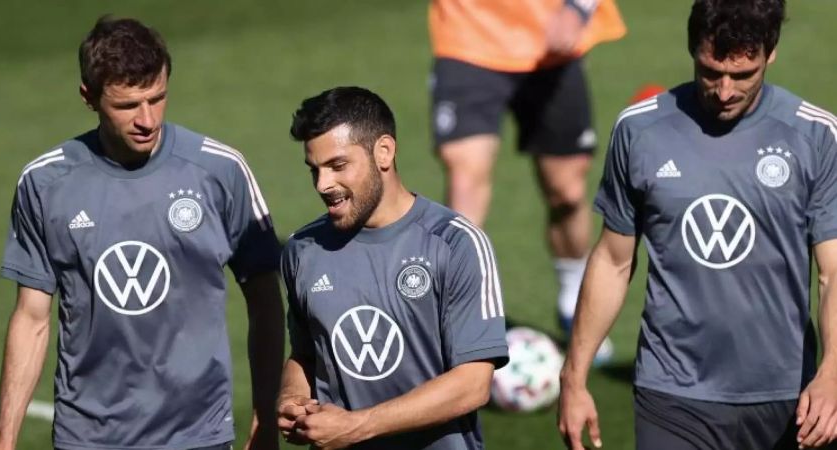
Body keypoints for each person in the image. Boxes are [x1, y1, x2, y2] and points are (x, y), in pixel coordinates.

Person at [0, 16, 284, 450]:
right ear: (89, 97)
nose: (147, 119)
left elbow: (264, 301)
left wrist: (265, 419)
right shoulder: (46, 183)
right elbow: (32, 319)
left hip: (196, 434)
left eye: (157, 98)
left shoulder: (219, 171)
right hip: (87, 436)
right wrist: (4, 440)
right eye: (127, 106)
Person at [557, 1, 837, 449]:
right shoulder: (640, 130)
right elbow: (612, 260)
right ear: (692, 50)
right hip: (672, 393)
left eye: (743, 75)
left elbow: (832, 273)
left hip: (785, 394)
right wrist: (573, 378)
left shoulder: (815, 136)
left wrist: (832, 374)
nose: (724, 91)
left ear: (771, 53)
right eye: (710, 72)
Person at [277, 86, 508, 449]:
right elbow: (306, 354)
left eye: (338, 166)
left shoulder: (455, 243)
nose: (323, 185)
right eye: (315, 170)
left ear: (383, 151)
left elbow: (472, 384)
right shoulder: (303, 250)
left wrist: (357, 426)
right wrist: (292, 398)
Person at [428, 0, 626, 355]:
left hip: (553, 44)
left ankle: (571, 297)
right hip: (468, 38)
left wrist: (578, 9)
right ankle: (461, 323)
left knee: (567, 191)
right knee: (465, 179)